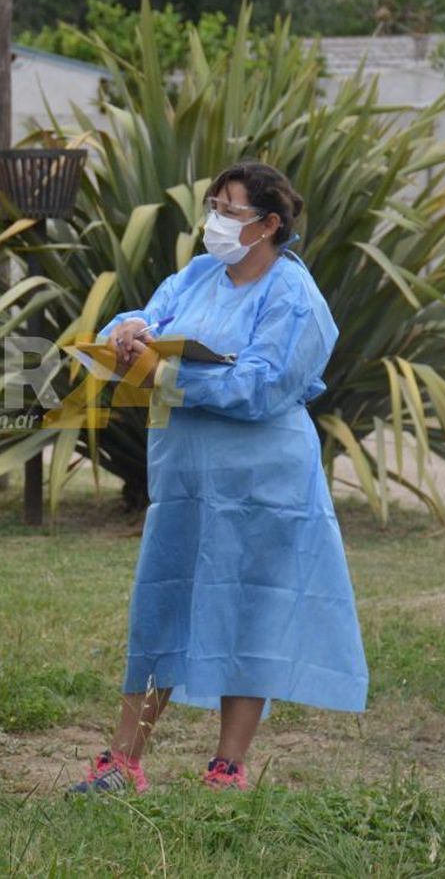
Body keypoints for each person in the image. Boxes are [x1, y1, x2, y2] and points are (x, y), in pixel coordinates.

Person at [70, 160, 368, 794]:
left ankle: (227, 766)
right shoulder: (201, 274)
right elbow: (148, 318)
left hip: (265, 483)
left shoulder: (294, 296)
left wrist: (168, 376)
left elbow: (263, 386)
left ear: (269, 225)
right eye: (213, 207)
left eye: (230, 213)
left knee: (250, 607)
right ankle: (122, 762)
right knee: (164, 600)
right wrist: (125, 331)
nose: (215, 223)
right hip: (186, 477)